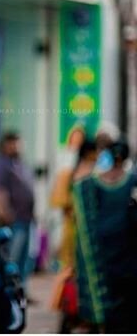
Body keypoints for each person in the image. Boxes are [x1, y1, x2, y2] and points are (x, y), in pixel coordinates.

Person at [73, 139, 137, 333]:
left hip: (104, 266)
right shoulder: (131, 183)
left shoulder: (89, 186)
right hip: (128, 267)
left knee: (111, 320)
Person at [49, 138, 97, 333]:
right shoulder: (71, 174)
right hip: (75, 234)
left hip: (88, 235)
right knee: (70, 273)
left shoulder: (95, 173)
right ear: (90, 153)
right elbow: (61, 203)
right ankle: (70, 316)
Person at [0, 131, 35, 286]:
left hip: (27, 218)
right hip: (15, 219)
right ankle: (10, 291)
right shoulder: (3, 164)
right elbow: (0, 191)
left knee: (26, 258)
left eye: (18, 142)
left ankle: (21, 290)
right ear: (6, 145)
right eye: (13, 143)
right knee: (13, 258)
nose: (17, 146)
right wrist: (5, 211)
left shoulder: (21, 164)